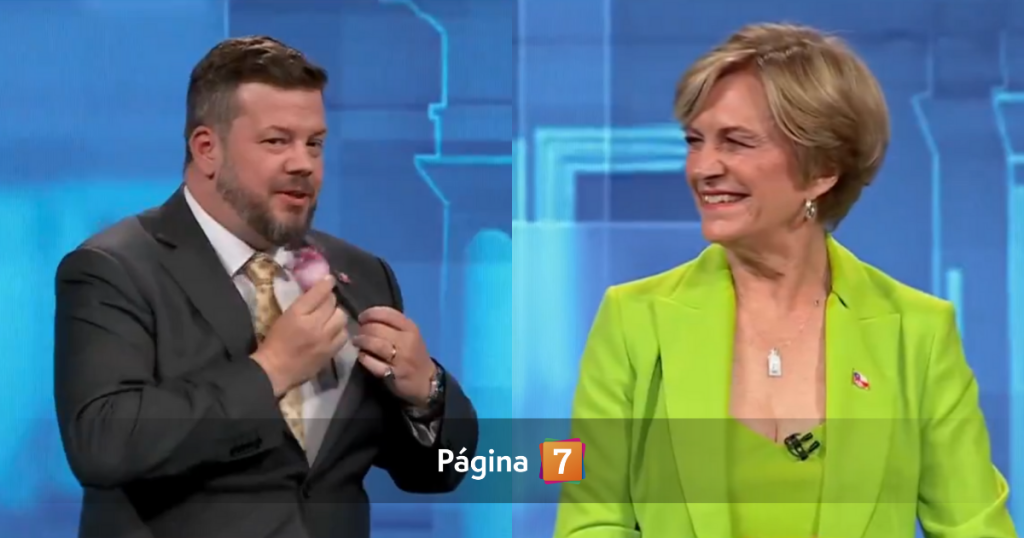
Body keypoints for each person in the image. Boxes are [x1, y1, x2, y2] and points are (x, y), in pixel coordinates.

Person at [552, 23, 1016, 538]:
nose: (703, 168)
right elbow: (589, 521)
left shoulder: (916, 333)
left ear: (821, 170)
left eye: (736, 142)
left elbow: (975, 527)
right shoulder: (634, 321)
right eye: (695, 142)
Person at [53, 36, 478, 538]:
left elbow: (437, 472)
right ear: (207, 149)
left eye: (314, 143)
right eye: (277, 141)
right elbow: (104, 444)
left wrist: (426, 393)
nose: (303, 163)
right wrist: (272, 369)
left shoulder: (360, 275)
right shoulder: (114, 269)